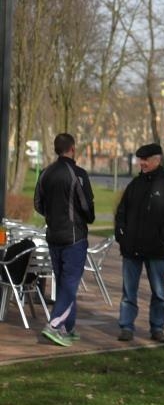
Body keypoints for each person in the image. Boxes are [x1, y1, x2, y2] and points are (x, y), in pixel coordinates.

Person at [115, 143, 164, 343]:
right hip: (131, 249)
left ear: (157, 160)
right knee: (128, 293)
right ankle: (126, 327)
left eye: (145, 159)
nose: (141, 163)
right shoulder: (135, 185)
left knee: (159, 293)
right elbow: (121, 213)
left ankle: (157, 328)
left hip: (157, 251)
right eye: (140, 159)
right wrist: (122, 236)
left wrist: (163, 239)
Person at [34, 133, 96, 347]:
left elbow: (38, 203)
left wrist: (53, 216)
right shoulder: (78, 174)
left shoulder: (45, 173)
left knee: (64, 283)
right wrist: (87, 218)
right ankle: (54, 325)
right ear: (72, 148)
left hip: (53, 236)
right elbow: (86, 205)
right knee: (69, 284)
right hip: (74, 237)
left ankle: (67, 328)